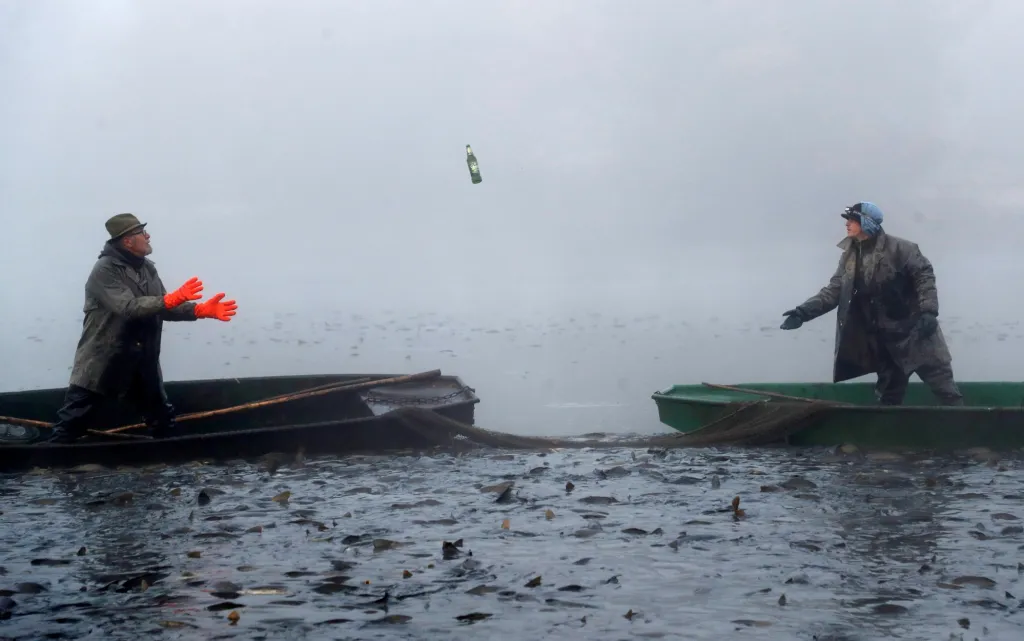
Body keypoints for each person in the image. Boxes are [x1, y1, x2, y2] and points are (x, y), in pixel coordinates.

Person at [45, 213, 239, 444]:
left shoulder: (147, 268)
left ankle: (171, 453)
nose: (148, 236)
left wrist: (198, 310)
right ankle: (50, 457)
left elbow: (163, 307)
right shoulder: (104, 270)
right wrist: (169, 299)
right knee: (73, 419)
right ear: (128, 241)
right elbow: (128, 307)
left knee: (161, 416)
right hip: (105, 358)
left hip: (143, 358)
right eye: (141, 232)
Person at [779, 202, 963, 406]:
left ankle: (964, 423)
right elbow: (834, 290)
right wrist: (802, 313)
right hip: (885, 342)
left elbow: (924, 277)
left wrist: (929, 311)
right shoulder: (849, 257)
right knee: (889, 397)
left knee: (945, 388)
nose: (847, 224)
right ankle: (889, 426)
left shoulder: (902, 249)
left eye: (852, 220)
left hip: (917, 332)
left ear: (867, 223)